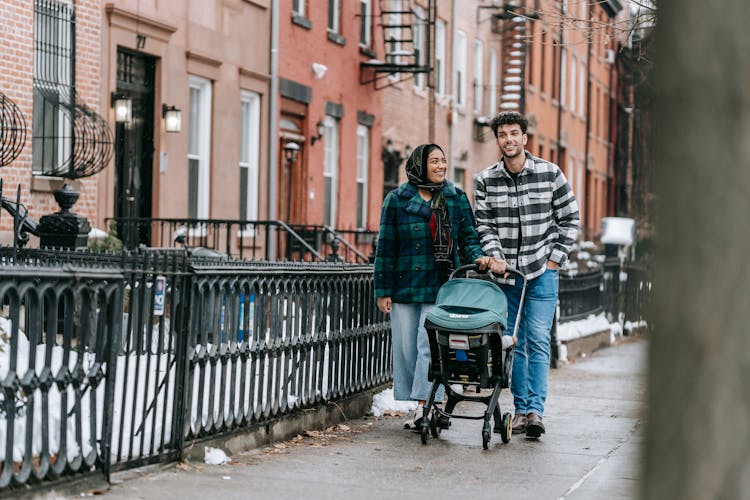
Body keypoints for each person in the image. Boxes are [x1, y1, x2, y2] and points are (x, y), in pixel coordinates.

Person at [474, 112, 580, 439]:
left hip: (542, 272)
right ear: (498, 140)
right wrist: (495, 256)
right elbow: (484, 225)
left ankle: (536, 410)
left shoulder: (550, 174)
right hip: (508, 277)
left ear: (524, 138)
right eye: (503, 134)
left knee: (537, 339)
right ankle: (521, 412)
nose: (508, 139)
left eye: (514, 133)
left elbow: (570, 219)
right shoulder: (485, 180)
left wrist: (554, 260)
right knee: (513, 343)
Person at [374, 143, 493, 430]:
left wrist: (478, 257)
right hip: (405, 285)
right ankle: (421, 405)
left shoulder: (455, 197)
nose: (441, 166)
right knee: (407, 349)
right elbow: (386, 247)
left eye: (443, 161)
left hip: (442, 284)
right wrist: (382, 290)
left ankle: (427, 406)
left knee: (431, 346)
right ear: (420, 165)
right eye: (435, 161)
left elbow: (467, 237)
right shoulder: (397, 199)